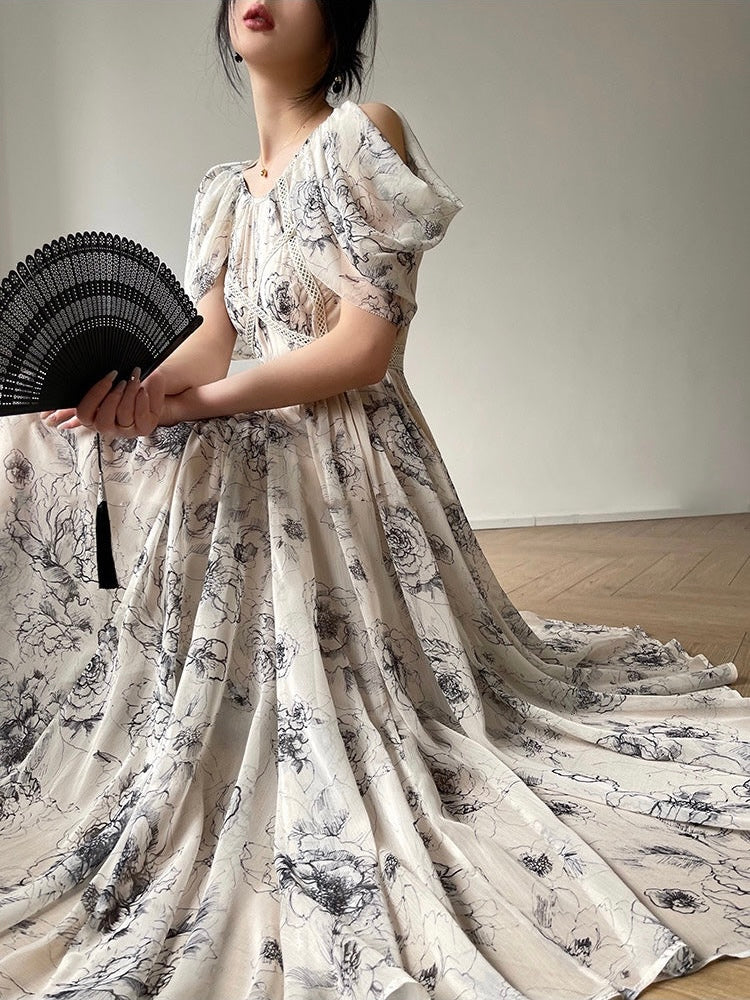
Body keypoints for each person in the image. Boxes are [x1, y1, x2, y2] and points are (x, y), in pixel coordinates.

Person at [0, 1, 748, 997]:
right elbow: (211, 343)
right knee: (30, 443)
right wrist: (132, 396)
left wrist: (203, 403)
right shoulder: (226, 193)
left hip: (343, 455)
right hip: (253, 440)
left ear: (342, 24)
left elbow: (362, 348)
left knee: (373, 710)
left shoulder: (362, 137)